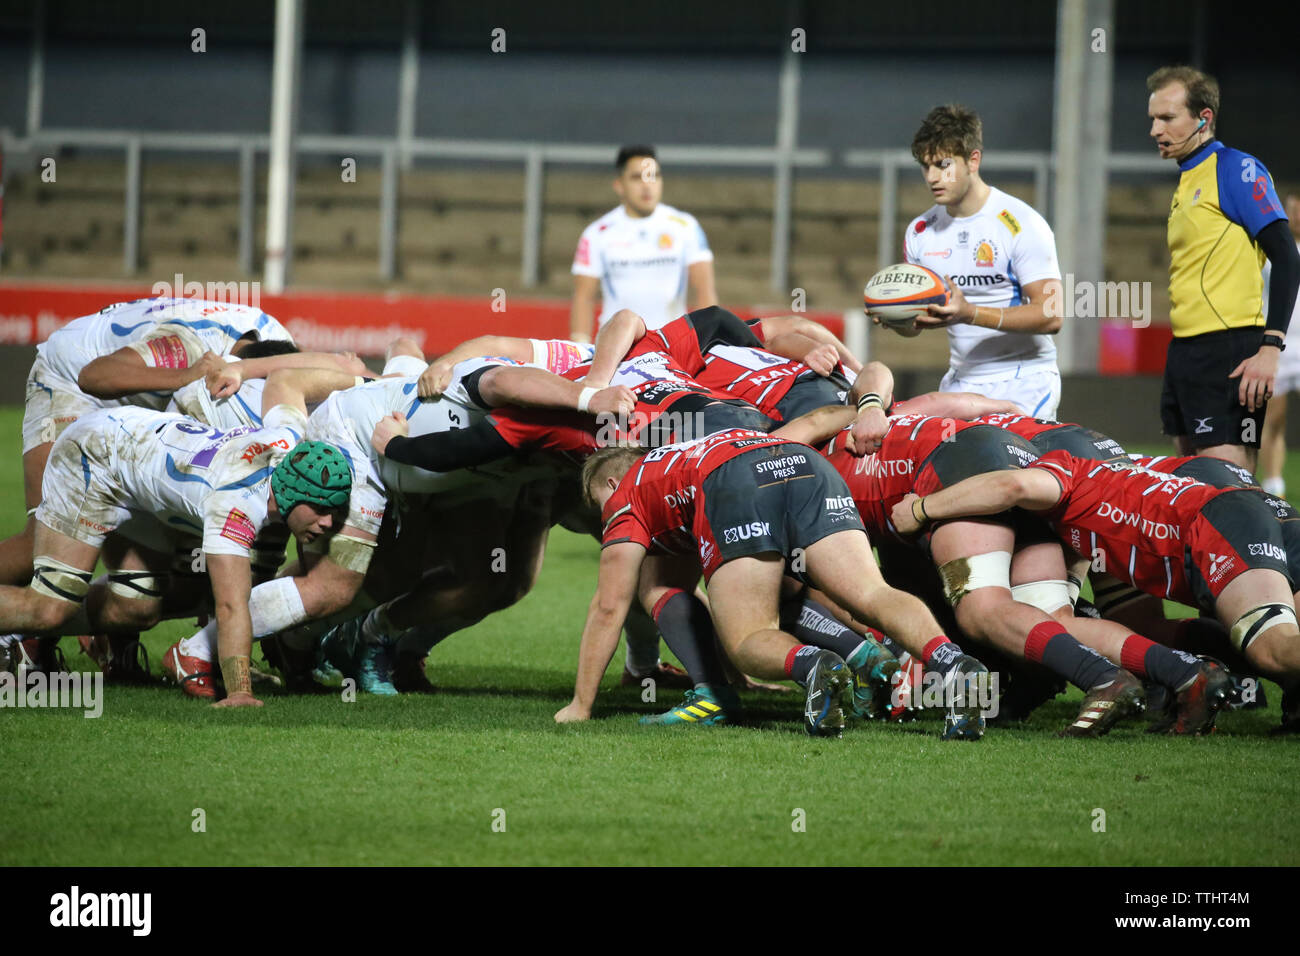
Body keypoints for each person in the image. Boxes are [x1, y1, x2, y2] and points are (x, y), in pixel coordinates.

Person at [560, 429, 994, 740]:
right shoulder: (683, 454)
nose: (603, 516)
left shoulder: (626, 494)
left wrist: (581, 705)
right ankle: (953, 664)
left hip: (735, 482)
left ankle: (812, 667)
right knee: (870, 594)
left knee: (748, 635)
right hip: (802, 460)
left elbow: (608, 607)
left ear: (611, 483)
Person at [0, 368, 354, 708]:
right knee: (50, 607)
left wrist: (369, 379)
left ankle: (29, 634)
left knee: (137, 607)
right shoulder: (235, 504)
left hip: (136, 459)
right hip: (93, 454)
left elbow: (286, 383)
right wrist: (239, 693)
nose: (327, 523)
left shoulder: (291, 441)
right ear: (290, 494)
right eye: (320, 510)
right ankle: (23, 628)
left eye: (334, 513)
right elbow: (231, 605)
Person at [891, 453, 1300, 734]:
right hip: (1256, 512)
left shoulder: (1063, 469)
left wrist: (922, 509)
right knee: (1281, 644)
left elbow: (1011, 484)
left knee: (1273, 650)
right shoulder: (1108, 491)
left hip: (1219, 525)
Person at [1148, 66, 1300, 472]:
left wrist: (1270, 347)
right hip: (1185, 350)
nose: (1155, 130)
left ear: (1204, 118)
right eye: (1153, 119)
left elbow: (1286, 255)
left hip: (1231, 349)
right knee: (1192, 490)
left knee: (1227, 488)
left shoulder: (1235, 169)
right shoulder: (1186, 182)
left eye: (1167, 118)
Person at [890, 105, 1065, 418]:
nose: (932, 177)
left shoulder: (1021, 223)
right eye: (925, 166)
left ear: (973, 160)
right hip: (962, 381)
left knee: (1006, 465)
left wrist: (970, 313)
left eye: (943, 165)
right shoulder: (919, 232)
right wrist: (898, 318)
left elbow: (1052, 315)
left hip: (1024, 380)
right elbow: (919, 326)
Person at [569, 145, 716, 344]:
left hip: (672, 346)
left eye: (654, 176)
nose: (647, 185)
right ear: (619, 185)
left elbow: (704, 290)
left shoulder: (685, 227)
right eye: (637, 177)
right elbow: (583, 297)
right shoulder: (596, 234)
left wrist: (708, 343)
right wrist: (580, 347)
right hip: (617, 349)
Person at [1257, 195, 1300, 495]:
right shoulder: (1272, 251)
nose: (1296, 215)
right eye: (1293, 210)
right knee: (1273, 417)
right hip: (1280, 344)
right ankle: (1274, 483)